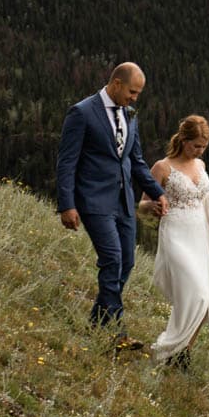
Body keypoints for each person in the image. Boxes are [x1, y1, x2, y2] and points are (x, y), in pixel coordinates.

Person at [56, 62, 166, 345]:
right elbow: (66, 162)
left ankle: (96, 323)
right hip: (93, 201)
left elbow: (135, 160)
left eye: (138, 94)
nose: (134, 98)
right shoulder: (81, 113)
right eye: (132, 92)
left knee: (126, 261)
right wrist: (67, 205)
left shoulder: (130, 114)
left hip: (124, 202)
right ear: (116, 83)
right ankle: (117, 334)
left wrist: (157, 192)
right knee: (112, 259)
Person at [146, 114, 209, 369]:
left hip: (201, 234)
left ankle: (182, 351)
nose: (199, 151)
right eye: (195, 145)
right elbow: (141, 203)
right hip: (175, 233)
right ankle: (168, 348)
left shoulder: (201, 166)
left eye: (203, 147)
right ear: (183, 140)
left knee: (206, 299)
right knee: (195, 293)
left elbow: (205, 199)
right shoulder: (162, 167)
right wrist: (152, 205)